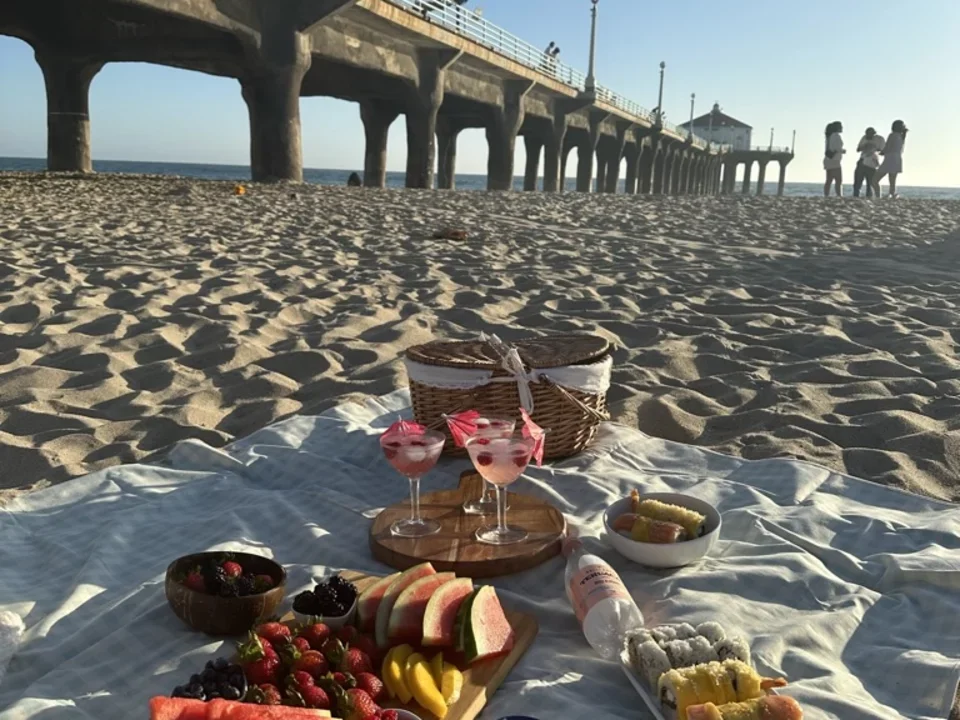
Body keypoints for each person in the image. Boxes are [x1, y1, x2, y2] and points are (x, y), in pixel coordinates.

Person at [872, 120, 908, 198]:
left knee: (875, 180)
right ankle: (892, 195)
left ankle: (878, 196)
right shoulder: (901, 137)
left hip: (889, 158)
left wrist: (881, 152)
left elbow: (888, 147)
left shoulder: (892, 135)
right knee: (892, 180)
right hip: (897, 159)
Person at [853, 127, 884, 198]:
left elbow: (882, 150)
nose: (868, 136)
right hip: (862, 160)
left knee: (870, 182)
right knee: (858, 180)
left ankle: (869, 196)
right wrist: (864, 147)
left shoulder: (879, 139)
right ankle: (856, 195)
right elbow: (858, 149)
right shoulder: (864, 138)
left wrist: (874, 149)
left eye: (870, 134)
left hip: (872, 162)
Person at [822, 121, 845, 197]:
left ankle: (826, 195)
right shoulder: (836, 136)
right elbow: (837, 148)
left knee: (829, 180)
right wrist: (842, 151)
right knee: (838, 180)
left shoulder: (829, 136)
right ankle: (839, 195)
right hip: (835, 160)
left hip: (828, 159)